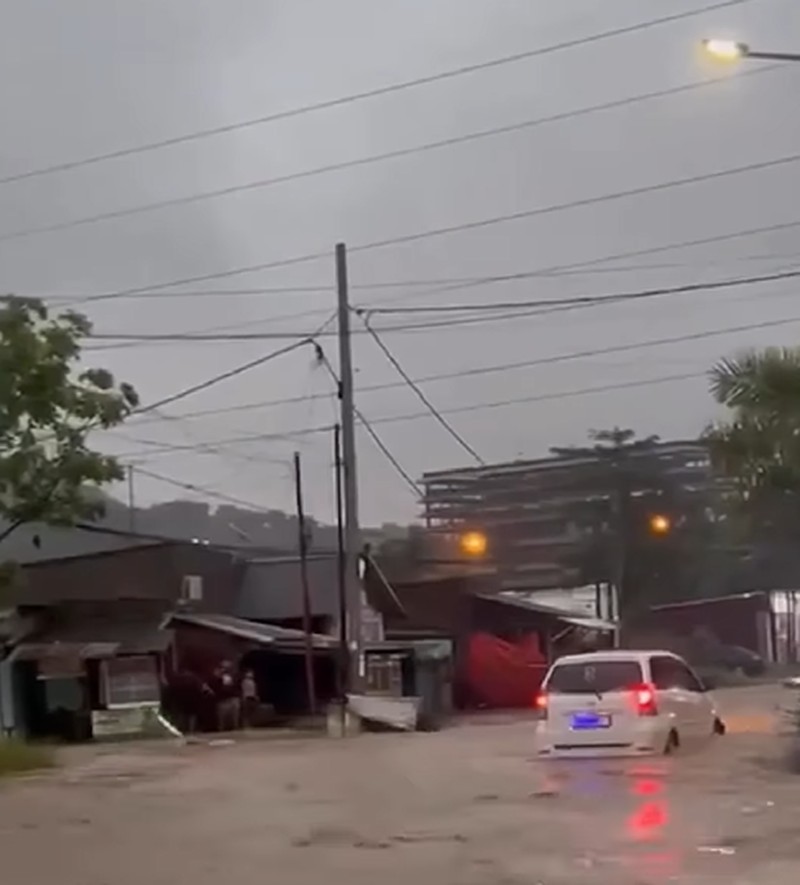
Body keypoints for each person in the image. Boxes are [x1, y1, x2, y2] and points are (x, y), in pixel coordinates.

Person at [213, 661, 241, 731]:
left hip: (232, 698)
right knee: (222, 718)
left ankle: (234, 728)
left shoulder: (234, 676)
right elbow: (216, 687)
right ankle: (222, 728)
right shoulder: (218, 678)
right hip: (223, 699)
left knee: (234, 717)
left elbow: (237, 686)